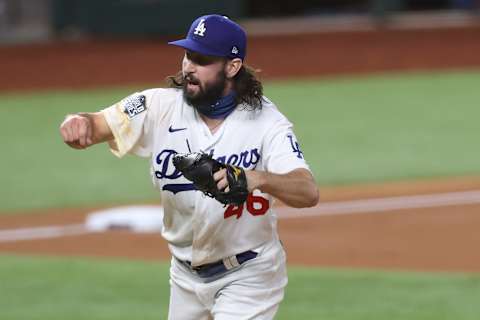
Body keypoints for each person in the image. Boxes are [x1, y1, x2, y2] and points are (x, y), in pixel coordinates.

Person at [59, 14, 319, 320]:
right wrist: (78, 122)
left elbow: (307, 190)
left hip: (249, 274)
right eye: (188, 55)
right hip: (184, 277)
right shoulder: (158, 106)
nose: (188, 67)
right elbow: (98, 123)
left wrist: (256, 178)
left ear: (232, 67)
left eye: (202, 59)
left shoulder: (267, 124)